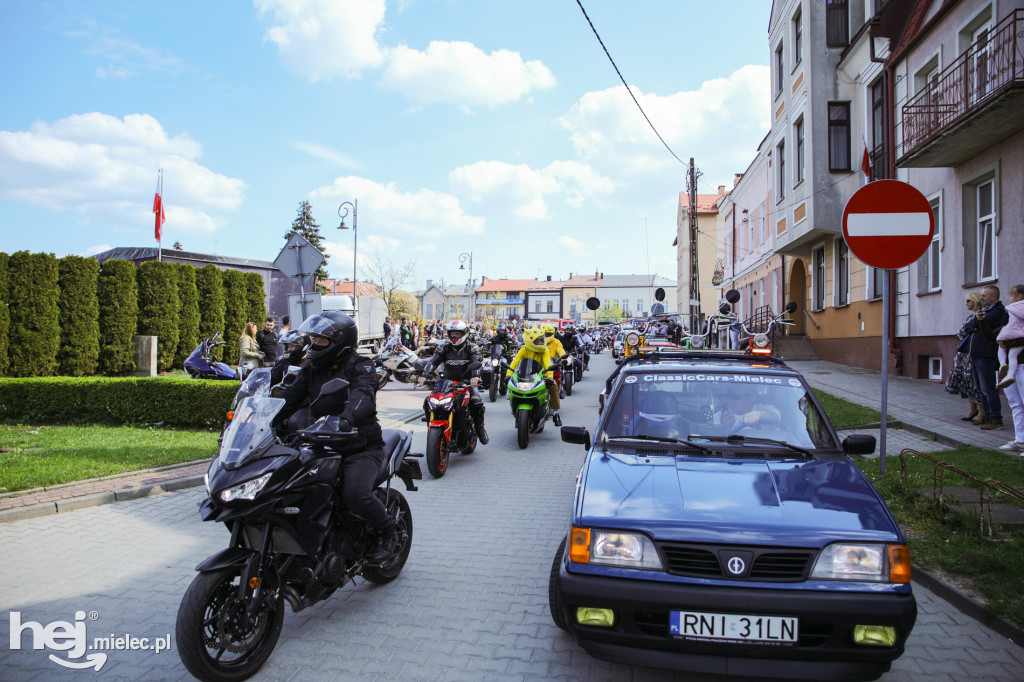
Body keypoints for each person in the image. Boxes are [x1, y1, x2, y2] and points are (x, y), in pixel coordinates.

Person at [272, 311, 396, 564]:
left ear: (340, 342)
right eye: (313, 340)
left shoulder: (361, 365)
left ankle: (388, 533)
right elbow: (290, 398)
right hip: (319, 444)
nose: (315, 346)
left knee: (354, 493)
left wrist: (346, 418)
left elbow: (363, 395)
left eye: (321, 341)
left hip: (358, 445)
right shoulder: (311, 369)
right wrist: (265, 418)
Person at [417, 319, 489, 444]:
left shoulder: (472, 348)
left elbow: (476, 362)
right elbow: (433, 361)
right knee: (429, 402)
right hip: (447, 384)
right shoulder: (444, 348)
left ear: (464, 333)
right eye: (452, 333)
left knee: (476, 402)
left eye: (458, 334)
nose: (454, 336)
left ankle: (480, 429)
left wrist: (475, 377)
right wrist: (424, 375)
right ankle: (433, 427)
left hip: (466, 383)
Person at [969, 285, 1009, 430]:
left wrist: (976, 324)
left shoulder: (998, 311)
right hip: (978, 353)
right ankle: (987, 416)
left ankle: (996, 419)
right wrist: (975, 324)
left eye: (984, 295)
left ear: (994, 297)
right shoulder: (986, 310)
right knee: (980, 388)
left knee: (988, 389)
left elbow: (976, 325)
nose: (981, 298)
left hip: (986, 354)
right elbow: (971, 325)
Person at [507, 326, 560, 425]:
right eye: (538, 341)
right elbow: (515, 362)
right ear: (530, 341)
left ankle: (555, 412)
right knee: (511, 385)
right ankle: (514, 406)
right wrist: (508, 374)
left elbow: (548, 363)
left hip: (541, 374)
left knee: (553, 385)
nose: (540, 343)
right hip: (525, 374)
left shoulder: (544, 350)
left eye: (541, 340)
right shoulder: (524, 350)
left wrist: (550, 377)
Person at [946, 292, 985, 423]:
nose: (966, 303)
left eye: (968, 300)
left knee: (974, 382)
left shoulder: (981, 316)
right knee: (966, 382)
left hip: (972, 353)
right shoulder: (971, 317)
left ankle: (982, 412)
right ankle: (972, 409)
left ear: (975, 301)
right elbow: (962, 333)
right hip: (964, 353)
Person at [1000, 284, 1024, 455]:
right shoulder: (1011, 313)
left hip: (1022, 364)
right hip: (1014, 365)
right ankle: (1020, 439)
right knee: (1015, 404)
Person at [716, 384, 782, 432]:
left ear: (751, 398)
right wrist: (724, 427)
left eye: (735, 396)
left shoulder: (767, 409)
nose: (729, 400)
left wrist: (759, 415)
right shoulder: (720, 416)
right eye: (728, 396)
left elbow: (775, 418)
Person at [996, 285, 1024, 390]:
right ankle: (1010, 374)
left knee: (1002, 348)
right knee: (1013, 355)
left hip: (1009, 334)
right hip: (1021, 336)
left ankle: (1003, 364)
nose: (1010, 299)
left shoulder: (1011, 308)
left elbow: (1005, 322)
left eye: (1012, 296)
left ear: (1019, 297)